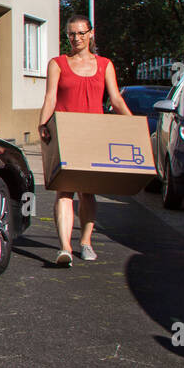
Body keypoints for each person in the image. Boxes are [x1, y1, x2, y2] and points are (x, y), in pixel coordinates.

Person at [37, 14, 132, 266]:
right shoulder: (57, 63)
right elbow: (50, 98)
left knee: (88, 193)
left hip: (94, 134)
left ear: (91, 33)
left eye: (81, 33)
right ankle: (65, 248)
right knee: (64, 192)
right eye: (71, 34)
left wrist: (134, 126)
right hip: (66, 133)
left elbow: (116, 100)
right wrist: (42, 124)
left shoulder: (105, 65)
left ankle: (86, 242)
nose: (76, 38)